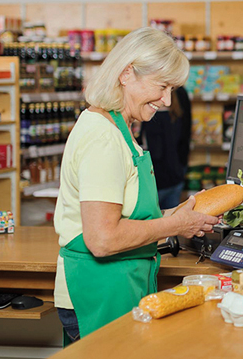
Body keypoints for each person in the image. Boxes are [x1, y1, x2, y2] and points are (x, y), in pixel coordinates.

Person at [53, 27, 217, 342]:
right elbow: (102, 238)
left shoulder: (119, 127)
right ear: (127, 74)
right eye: (162, 86)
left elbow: (125, 216)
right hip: (99, 293)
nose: (167, 101)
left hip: (118, 285)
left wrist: (180, 215)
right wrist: (174, 225)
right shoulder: (104, 137)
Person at [140, 86, 191, 209]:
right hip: (175, 175)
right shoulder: (177, 106)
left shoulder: (151, 117)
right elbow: (185, 135)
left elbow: (154, 150)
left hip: (157, 180)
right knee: (172, 219)